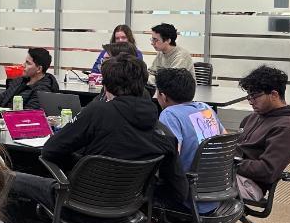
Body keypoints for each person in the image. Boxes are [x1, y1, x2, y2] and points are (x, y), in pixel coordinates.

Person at [41, 55, 188, 206]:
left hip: (83, 203)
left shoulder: (98, 112)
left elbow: (50, 150)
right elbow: (179, 192)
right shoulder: (161, 130)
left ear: (106, 86)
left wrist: (78, 161)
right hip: (129, 209)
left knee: (17, 180)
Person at [126, 67, 225, 223]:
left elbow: (172, 159)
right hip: (215, 194)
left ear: (163, 96)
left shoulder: (170, 114)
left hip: (189, 199)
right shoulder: (205, 109)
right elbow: (225, 140)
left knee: (134, 187)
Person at [235, 65, 290, 202]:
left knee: (188, 185)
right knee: (187, 172)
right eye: (249, 97)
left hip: (250, 184)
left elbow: (267, 171)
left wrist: (228, 164)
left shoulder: (288, 128)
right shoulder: (254, 117)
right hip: (232, 173)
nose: (251, 102)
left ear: (274, 95)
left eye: (255, 97)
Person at [0, 47, 58, 111]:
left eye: (28, 63)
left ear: (39, 69)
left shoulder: (43, 91)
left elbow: (27, 114)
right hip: (1, 118)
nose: (23, 65)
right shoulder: (21, 80)